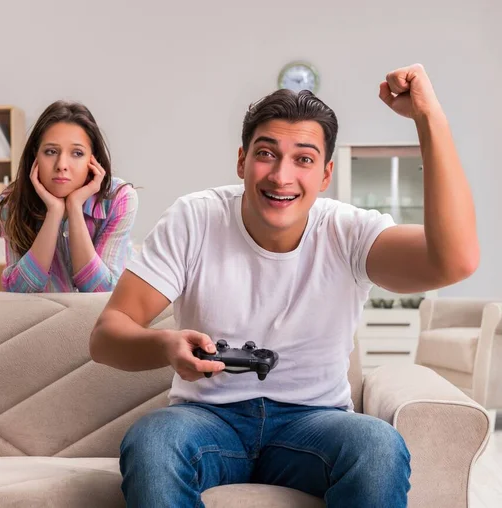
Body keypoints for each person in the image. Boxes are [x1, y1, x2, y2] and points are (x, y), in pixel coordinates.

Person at [89, 64, 479, 507]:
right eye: (266, 153)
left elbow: (455, 261)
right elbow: (106, 336)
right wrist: (163, 346)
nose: (281, 175)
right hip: (206, 419)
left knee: (378, 445)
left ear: (326, 174)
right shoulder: (194, 218)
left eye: (304, 159)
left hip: (316, 424)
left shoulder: (348, 232)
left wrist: (429, 117)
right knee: (153, 441)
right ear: (242, 160)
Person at [0, 100, 138, 293]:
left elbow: (102, 292)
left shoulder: (119, 198)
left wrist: (75, 207)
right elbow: (19, 292)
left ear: (93, 159)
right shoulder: (12, 201)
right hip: (42, 319)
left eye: (77, 153)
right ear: (36, 155)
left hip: (105, 319)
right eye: (51, 152)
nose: (61, 165)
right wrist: (54, 212)